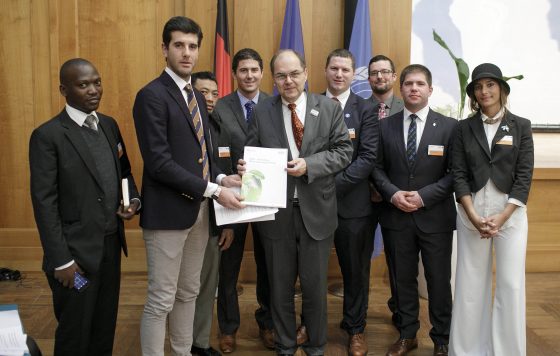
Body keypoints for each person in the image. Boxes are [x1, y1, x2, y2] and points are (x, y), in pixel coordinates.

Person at [132, 16, 244, 356]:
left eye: (192, 46)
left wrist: (224, 178)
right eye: (178, 45)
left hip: (198, 211)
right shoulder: (151, 96)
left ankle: (182, 352)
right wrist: (214, 190)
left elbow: (204, 153)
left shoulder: (196, 93)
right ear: (165, 49)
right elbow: (159, 163)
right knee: (161, 298)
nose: (186, 53)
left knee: (189, 292)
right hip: (167, 213)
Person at [240, 49, 353, 356]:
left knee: (315, 289)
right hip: (276, 212)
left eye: (293, 74)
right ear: (273, 79)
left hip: (317, 211)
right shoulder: (262, 111)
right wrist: (245, 167)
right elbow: (251, 151)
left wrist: (310, 165)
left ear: (306, 73)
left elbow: (344, 152)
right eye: (280, 75)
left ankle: (316, 347)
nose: (287, 81)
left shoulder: (328, 108)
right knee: (280, 288)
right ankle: (286, 346)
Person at [29, 58, 140, 356]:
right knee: (75, 331)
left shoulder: (109, 125)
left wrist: (133, 200)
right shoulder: (47, 136)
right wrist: (60, 261)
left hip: (109, 250)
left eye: (97, 82)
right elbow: (44, 203)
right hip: (74, 259)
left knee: (104, 328)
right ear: (64, 90)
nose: (93, 90)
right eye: (83, 85)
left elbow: (125, 172)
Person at [449, 63, 534, 356]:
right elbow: (458, 173)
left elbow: (524, 176)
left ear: (502, 89)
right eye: (478, 86)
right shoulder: (463, 128)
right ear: (473, 93)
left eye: (490, 85)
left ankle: (508, 351)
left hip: (510, 216)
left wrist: (503, 215)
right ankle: (468, 350)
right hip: (471, 213)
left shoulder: (521, 125)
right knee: (470, 286)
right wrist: (473, 215)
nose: (484, 91)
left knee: (510, 285)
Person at [372, 64, 457, 356]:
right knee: (402, 280)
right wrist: (393, 194)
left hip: (435, 218)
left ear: (430, 90)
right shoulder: (384, 126)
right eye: (408, 83)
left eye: (420, 83)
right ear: (401, 88)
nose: (414, 88)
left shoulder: (449, 127)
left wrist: (422, 197)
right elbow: (376, 169)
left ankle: (442, 339)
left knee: (438, 281)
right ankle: (408, 334)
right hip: (396, 217)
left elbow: (454, 174)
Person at [300, 48, 377, 356]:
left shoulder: (366, 109)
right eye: (334, 68)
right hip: (311, 204)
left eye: (346, 70)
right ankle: (309, 323)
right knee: (310, 271)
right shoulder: (308, 104)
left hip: (353, 206)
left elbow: (368, 157)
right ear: (325, 70)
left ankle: (355, 329)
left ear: (353, 73)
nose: (339, 74)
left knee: (355, 271)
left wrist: (334, 186)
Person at [211, 48, 274, 352]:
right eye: (243, 70)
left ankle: (268, 323)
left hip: (268, 197)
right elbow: (213, 154)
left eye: (254, 70)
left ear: (262, 73)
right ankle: (228, 328)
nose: (249, 75)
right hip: (231, 195)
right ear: (234, 74)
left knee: (269, 264)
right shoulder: (220, 107)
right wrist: (225, 179)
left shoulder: (276, 106)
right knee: (229, 266)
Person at [191, 71, 234, 356]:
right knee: (185, 288)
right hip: (185, 216)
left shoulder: (221, 126)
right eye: (202, 92)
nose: (208, 98)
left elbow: (224, 175)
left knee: (207, 284)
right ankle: (183, 342)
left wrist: (227, 224)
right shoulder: (181, 124)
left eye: (213, 93)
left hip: (214, 216)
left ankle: (200, 342)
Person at [368, 55, 404, 324]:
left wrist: (389, 189)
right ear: (368, 78)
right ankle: (356, 314)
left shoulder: (408, 107)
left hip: (396, 197)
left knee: (398, 259)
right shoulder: (357, 107)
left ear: (393, 77)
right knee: (358, 255)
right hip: (363, 196)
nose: (380, 77)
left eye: (385, 72)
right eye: (374, 73)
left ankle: (401, 311)